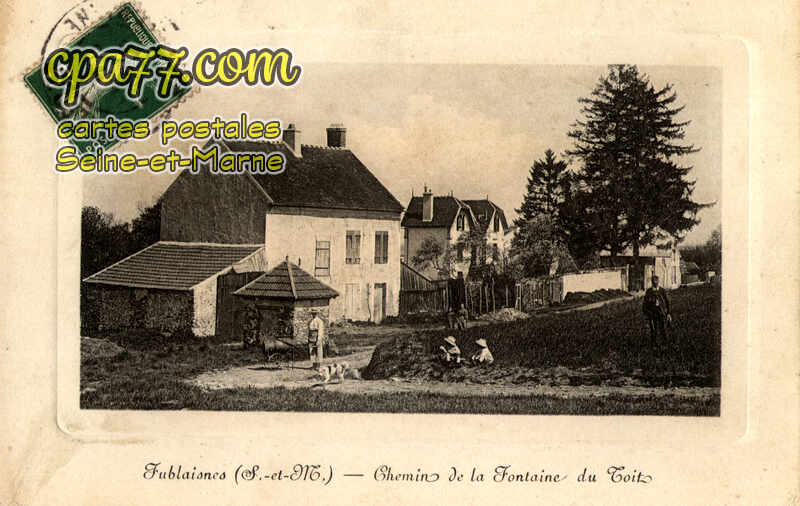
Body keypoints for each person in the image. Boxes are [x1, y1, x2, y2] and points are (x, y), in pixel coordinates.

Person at [642, 275, 672, 344]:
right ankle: (654, 344)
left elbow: (667, 302)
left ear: (658, 282)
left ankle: (665, 343)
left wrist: (668, 313)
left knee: (663, 329)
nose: (655, 283)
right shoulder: (649, 292)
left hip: (661, 313)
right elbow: (645, 304)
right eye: (654, 282)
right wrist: (648, 313)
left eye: (656, 282)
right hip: (652, 314)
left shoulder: (662, 291)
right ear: (652, 282)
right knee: (653, 329)